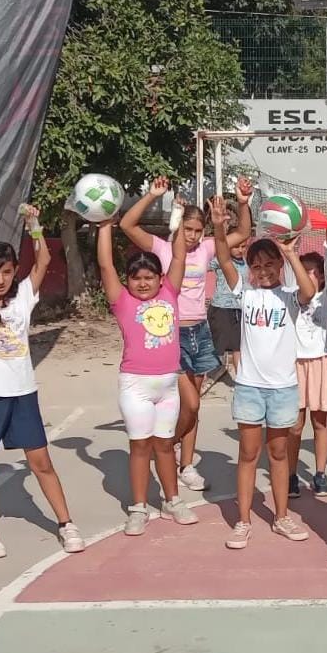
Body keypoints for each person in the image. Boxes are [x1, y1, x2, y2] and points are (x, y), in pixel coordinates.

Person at [0, 207, 84, 559]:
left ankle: (66, 523)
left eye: (7, 271)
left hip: (23, 396)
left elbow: (44, 259)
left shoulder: (23, 297)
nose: (1, 279)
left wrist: (34, 225)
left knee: (41, 462)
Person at [120, 176, 252, 493]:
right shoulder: (164, 249)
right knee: (189, 404)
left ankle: (186, 464)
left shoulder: (207, 249)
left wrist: (244, 203)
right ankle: (167, 445)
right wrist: (153, 195)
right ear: (179, 225)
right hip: (170, 335)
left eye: (197, 230)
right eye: (187, 229)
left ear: (204, 231)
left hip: (200, 331)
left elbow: (243, 233)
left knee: (195, 406)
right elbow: (127, 225)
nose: (191, 236)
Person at [210, 197, 318, 550]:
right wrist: (218, 225)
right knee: (247, 454)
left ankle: (281, 516)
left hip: (283, 389)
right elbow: (225, 257)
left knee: (279, 455)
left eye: (270, 264)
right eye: (257, 265)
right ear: (250, 268)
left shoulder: (289, 295)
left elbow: (309, 289)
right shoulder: (245, 292)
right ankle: (242, 522)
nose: (264, 270)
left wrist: (289, 253)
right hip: (250, 388)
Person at [96, 191, 199, 537]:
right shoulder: (122, 301)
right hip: (136, 385)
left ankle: (172, 499)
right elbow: (106, 265)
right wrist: (105, 227)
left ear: (160, 278)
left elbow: (179, 258)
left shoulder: (170, 292)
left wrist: (180, 216)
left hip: (167, 385)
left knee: (165, 444)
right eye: (136, 277)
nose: (143, 282)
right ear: (128, 281)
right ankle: (138, 506)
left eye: (149, 277)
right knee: (140, 446)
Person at [285, 225, 327, 497]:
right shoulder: (290, 296)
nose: (309, 275)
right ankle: (291, 475)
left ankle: (320, 474)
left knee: (320, 423)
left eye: (314, 271)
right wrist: (290, 250)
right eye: (304, 270)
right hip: (295, 364)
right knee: (295, 425)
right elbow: (289, 269)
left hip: (321, 363)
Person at [207, 234, 248, 377]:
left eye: (243, 246)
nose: (240, 250)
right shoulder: (220, 261)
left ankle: (240, 378)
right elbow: (203, 266)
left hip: (239, 309)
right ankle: (208, 375)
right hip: (221, 308)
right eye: (236, 246)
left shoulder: (246, 263)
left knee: (239, 346)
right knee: (217, 346)